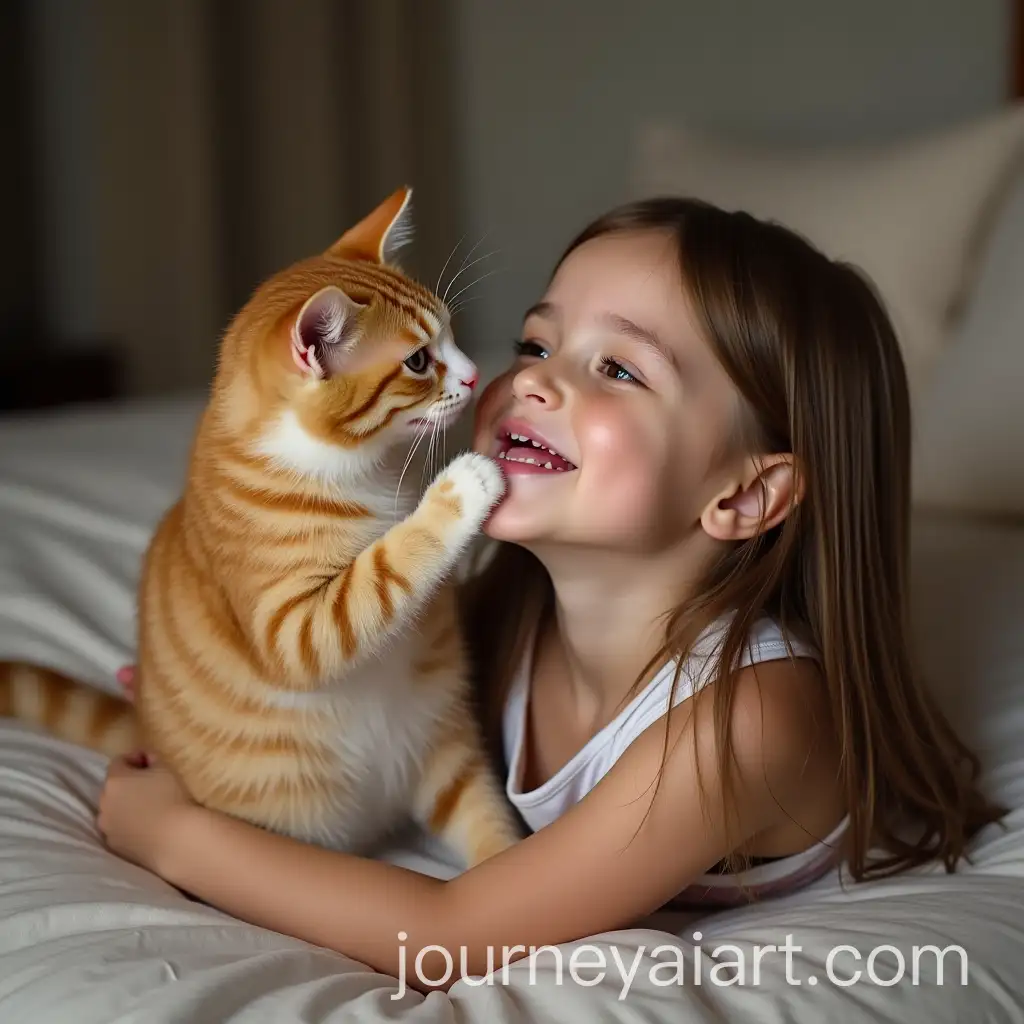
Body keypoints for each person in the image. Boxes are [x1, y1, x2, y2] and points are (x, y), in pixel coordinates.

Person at [96, 197, 1003, 993]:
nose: (530, 376)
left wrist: (175, 836)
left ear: (742, 496)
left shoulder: (749, 719)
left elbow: (458, 935)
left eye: (619, 369)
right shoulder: (512, 608)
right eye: (537, 341)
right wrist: (214, 695)